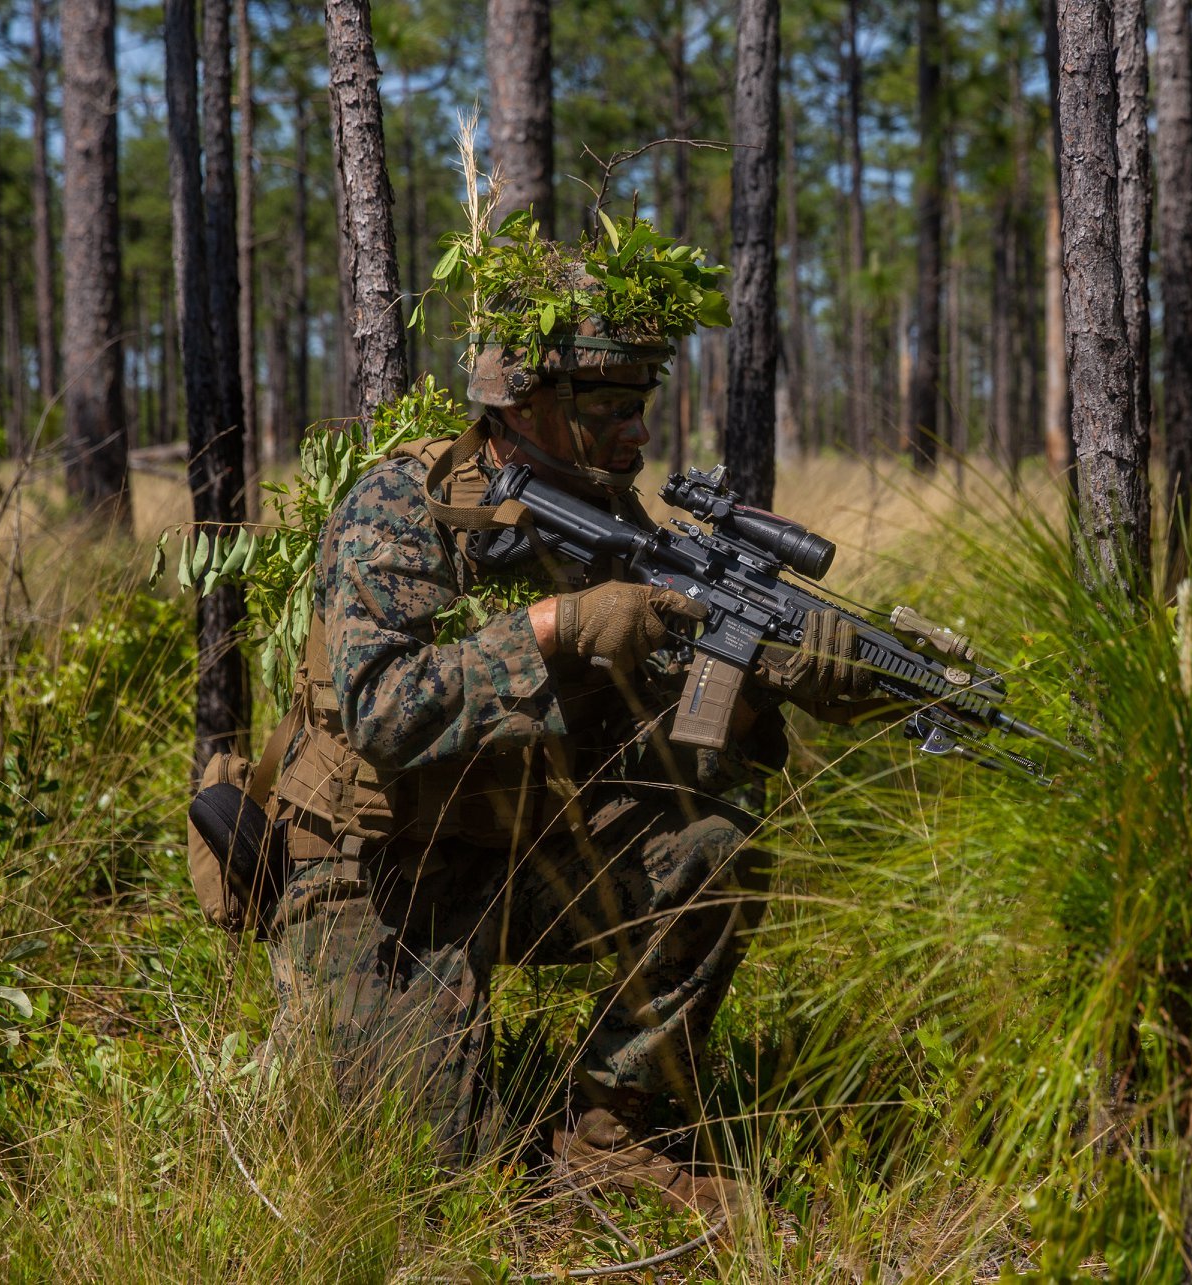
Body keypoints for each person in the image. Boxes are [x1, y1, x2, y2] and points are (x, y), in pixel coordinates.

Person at [261, 283, 869, 1227]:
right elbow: (385, 710)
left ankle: (611, 1137)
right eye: (605, 410)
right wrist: (555, 626)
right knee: (434, 1187)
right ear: (517, 406)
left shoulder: (613, 522)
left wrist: (759, 691)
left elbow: (657, 758)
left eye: (639, 407)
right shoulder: (404, 503)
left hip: (519, 850)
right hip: (371, 873)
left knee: (709, 848)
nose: (633, 434)